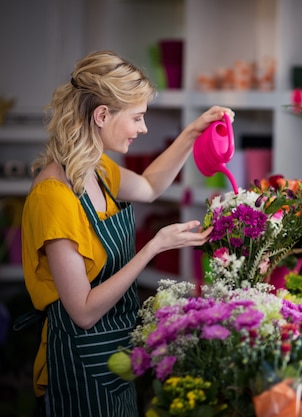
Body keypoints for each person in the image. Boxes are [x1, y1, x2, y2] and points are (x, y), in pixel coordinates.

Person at [17, 50, 234, 417]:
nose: (143, 128)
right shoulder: (54, 196)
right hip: (78, 369)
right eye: (137, 117)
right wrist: (153, 248)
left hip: (117, 358)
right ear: (102, 115)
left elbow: (150, 186)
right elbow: (83, 312)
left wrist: (192, 133)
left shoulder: (96, 169)